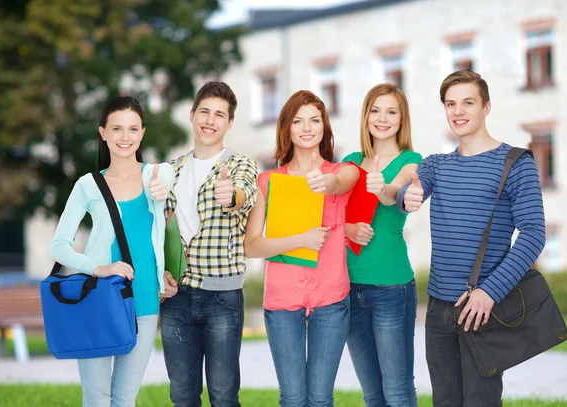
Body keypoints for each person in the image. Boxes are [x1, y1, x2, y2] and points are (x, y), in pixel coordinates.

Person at [397, 70, 546, 407]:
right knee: (444, 401)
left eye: (468, 102)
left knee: (480, 401)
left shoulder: (515, 163)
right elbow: (410, 192)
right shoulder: (437, 166)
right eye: (451, 104)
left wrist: (489, 292)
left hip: (484, 308)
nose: (458, 111)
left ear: (486, 107)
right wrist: (406, 197)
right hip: (438, 309)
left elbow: (534, 234)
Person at [50, 96, 177, 407]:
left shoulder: (157, 176)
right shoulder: (88, 185)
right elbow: (59, 245)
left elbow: (169, 180)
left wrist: (163, 190)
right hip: (99, 298)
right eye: (117, 129)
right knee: (96, 398)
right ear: (103, 133)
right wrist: (98, 268)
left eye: (133, 129)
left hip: (145, 300)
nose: (125, 137)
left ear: (143, 133)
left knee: (124, 399)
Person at [244, 90, 359, 407]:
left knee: (321, 398)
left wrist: (327, 183)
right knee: (293, 398)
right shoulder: (267, 181)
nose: (307, 128)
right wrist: (301, 240)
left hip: (331, 297)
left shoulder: (341, 172)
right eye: (298, 121)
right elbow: (252, 246)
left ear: (324, 126)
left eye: (314, 120)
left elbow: (346, 180)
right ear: (287, 128)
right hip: (282, 299)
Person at [159, 81, 259, 407]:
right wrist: (160, 272)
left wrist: (232, 195)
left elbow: (246, 193)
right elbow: (157, 231)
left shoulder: (239, 164)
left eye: (220, 115)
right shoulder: (170, 171)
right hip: (176, 298)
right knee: (183, 396)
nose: (210, 120)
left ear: (229, 123)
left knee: (224, 396)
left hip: (222, 298)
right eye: (205, 111)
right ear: (191, 115)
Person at [342, 83, 422, 407]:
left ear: (402, 120)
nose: (382, 118)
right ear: (366, 116)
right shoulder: (349, 161)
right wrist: (347, 228)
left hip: (392, 287)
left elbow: (396, 195)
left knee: (398, 392)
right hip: (349, 287)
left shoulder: (412, 161)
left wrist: (382, 188)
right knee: (372, 395)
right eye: (375, 110)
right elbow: (329, 219)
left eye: (391, 111)